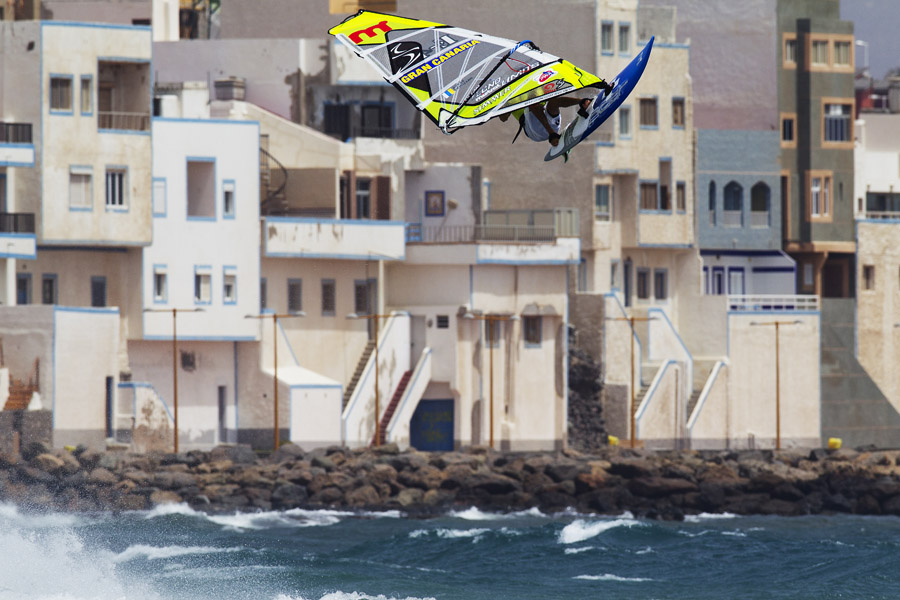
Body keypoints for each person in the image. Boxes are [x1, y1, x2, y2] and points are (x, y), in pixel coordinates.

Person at [501, 81, 613, 146]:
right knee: (533, 101)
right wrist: (506, 105)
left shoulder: (538, 81)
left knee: (552, 102)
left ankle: (582, 102)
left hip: (548, 120)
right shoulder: (508, 92)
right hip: (533, 129)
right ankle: (552, 135)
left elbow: (555, 98)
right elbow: (503, 118)